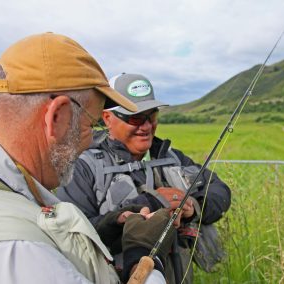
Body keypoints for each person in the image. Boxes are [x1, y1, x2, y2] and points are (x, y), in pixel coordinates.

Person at [0, 33, 175, 284]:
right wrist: (144, 256)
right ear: (57, 117)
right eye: (90, 124)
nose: (89, 141)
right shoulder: (16, 251)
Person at [57, 73, 231, 283]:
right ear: (107, 118)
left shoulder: (171, 157)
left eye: (152, 116)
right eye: (135, 117)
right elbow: (70, 237)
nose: (146, 126)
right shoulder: (83, 167)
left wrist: (192, 207)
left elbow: (220, 191)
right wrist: (152, 204)